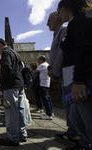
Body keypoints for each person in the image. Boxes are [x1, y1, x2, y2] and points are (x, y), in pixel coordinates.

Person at [57, 0, 92, 149]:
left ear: (66, 7)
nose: (59, 14)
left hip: (84, 79)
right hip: (77, 78)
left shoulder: (83, 18)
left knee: (88, 120)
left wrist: (78, 81)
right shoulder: (76, 21)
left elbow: (84, 50)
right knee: (78, 118)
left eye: (59, 10)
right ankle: (84, 143)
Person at [47, 10, 79, 143]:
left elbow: (61, 53)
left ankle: (78, 134)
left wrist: (54, 71)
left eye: (49, 20)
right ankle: (72, 132)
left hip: (69, 74)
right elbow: (54, 55)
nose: (47, 23)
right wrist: (51, 69)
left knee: (74, 105)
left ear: (58, 19)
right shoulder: (57, 33)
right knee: (68, 104)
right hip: (63, 75)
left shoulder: (64, 30)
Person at [0, 38, 27, 146]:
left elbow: (7, 68)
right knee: (20, 109)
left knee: (11, 111)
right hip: (19, 83)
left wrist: (1, 81)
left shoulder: (6, 52)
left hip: (11, 85)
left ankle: (13, 138)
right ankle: (22, 134)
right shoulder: (15, 53)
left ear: (0, 45)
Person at [33, 55, 54, 120]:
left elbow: (34, 72)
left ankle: (49, 114)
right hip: (46, 84)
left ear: (41, 60)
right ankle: (50, 112)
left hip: (42, 84)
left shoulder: (42, 65)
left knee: (45, 99)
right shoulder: (47, 65)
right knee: (47, 99)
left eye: (39, 60)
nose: (38, 62)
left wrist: (36, 73)